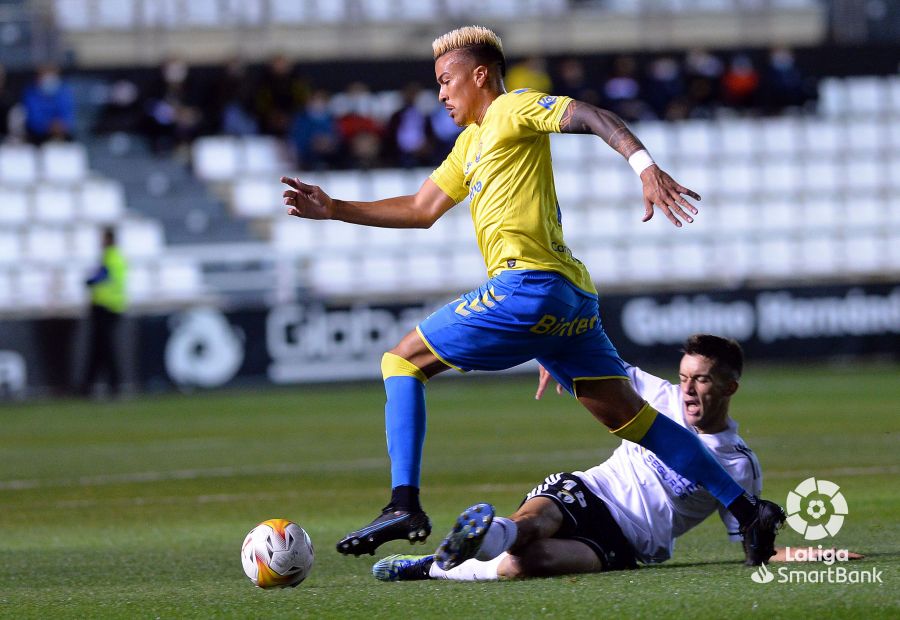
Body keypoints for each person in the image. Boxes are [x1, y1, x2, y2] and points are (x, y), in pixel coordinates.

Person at [280, 25, 783, 561]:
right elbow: (421, 210)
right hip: (570, 299)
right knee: (633, 419)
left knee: (400, 362)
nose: (442, 94)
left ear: (480, 76)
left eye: (447, 81)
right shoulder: (469, 144)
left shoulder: (513, 108)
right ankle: (749, 510)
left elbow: (593, 116)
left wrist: (644, 166)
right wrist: (335, 209)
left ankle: (404, 502)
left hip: (528, 286)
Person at [372, 335, 861, 581]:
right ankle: (487, 532)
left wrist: (823, 554)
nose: (687, 389)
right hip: (590, 491)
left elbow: (756, 544)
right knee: (535, 523)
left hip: (630, 543)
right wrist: (552, 360)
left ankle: (432, 566)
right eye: (685, 376)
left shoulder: (738, 464)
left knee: (525, 565)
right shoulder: (659, 394)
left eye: (702, 380)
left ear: (730, 387)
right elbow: (594, 360)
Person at [80, 227, 128, 397]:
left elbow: (102, 277)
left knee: (104, 349)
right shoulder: (115, 257)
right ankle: (91, 385)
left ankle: (110, 384)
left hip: (106, 308)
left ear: (108, 239)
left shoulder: (111, 257)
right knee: (100, 348)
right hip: (110, 307)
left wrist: (89, 281)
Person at [22, 64, 75, 144]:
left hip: (62, 135)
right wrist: (48, 126)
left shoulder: (64, 91)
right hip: (37, 137)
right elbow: (33, 119)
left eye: (51, 71)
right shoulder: (30, 93)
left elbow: (68, 116)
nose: (49, 76)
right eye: (45, 72)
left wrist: (60, 126)